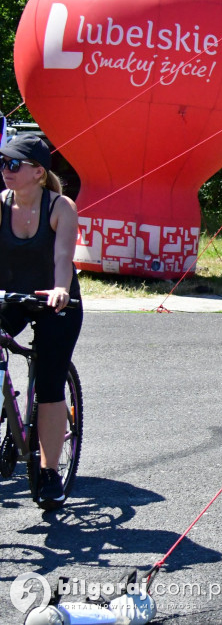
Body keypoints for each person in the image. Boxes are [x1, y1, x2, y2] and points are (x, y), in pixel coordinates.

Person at [0, 135, 82, 509]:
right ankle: (9, 414)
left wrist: (60, 290)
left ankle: (49, 472)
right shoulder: (0, 205)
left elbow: (63, 257)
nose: (5, 171)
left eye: (13, 165)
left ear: (38, 172)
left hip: (54, 301)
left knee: (49, 384)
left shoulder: (60, 206)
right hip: (12, 296)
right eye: (2, 163)